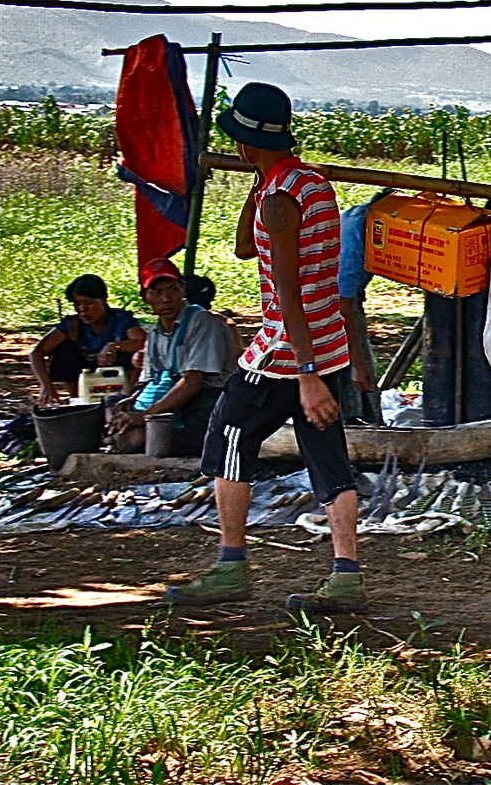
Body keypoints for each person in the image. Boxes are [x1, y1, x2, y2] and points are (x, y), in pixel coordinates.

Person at [163, 81, 365, 615]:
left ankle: (231, 565)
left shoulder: (279, 200)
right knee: (328, 457)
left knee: (229, 439)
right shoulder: (309, 184)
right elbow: (242, 245)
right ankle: (347, 574)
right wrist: (258, 179)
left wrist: (305, 375)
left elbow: (290, 289)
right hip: (329, 343)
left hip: (284, 352)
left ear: (246, 143)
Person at [106, 259, 238, 456]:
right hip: (171, 401)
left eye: (172, 289)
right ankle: (118, 436)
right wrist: (132, 402)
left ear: (183, 289)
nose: (165, 298)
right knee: (111, 403)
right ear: (145, 297)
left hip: (204, 403)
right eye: (157, 292)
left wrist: (142, 416)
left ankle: (122, 438)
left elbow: (193, 382)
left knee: (149, 437)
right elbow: (152, 381)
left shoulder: (203, 322)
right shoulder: (155, 333)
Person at [29, 274, 146, 406]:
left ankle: (127, 399)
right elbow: (37, 353)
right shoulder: (72, 325)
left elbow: (141, 341)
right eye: (78, 304)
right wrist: (46, 385)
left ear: (103, 300)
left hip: (119, 377)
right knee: (65, 349)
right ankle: (78, 399)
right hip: (85, 378)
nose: (83, 310)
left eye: (89, 303)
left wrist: (116, 346)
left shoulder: (121, 319)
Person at [336, 191, 391, 425]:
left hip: (341, 299)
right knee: (353, 373)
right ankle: (353, 423)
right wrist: (357, 365)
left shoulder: (359, 215)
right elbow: (343, 309)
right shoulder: (359, 238)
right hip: (331, 304)